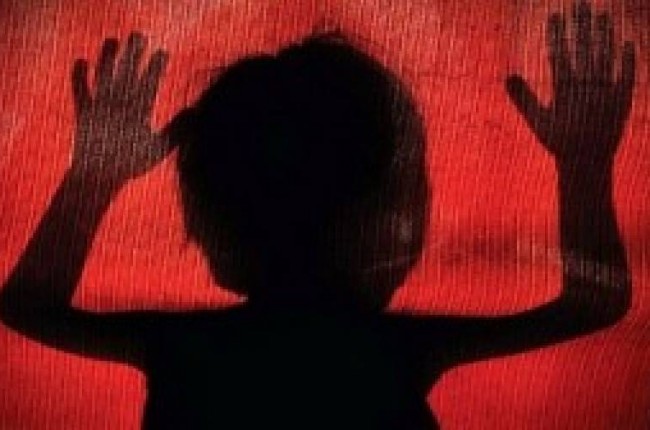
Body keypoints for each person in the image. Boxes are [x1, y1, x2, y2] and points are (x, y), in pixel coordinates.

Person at [0, 1, 634, 428]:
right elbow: (593, 301)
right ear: (390, 217)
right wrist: (583, 166)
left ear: (208, 222)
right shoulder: (385, 349)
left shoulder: (185, 348)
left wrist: (92, 179)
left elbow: (28, 306)